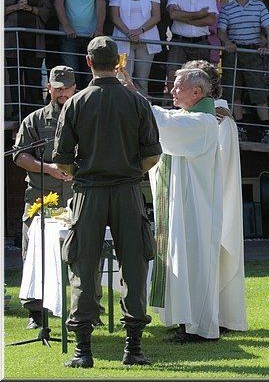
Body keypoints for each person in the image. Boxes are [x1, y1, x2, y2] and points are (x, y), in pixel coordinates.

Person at [52, 37, 161, 367]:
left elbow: (62, 161)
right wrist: (128, 172)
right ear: (118, 62)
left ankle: (83, 351)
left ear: (88, 62)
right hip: (128, 190)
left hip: (89, 192)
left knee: (84, 266)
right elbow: (152, 155)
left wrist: (85, 174)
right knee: (135, 265)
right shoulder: (136, 101)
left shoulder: (75, 103)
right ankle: (134, 348)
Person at [138, 67, 224, 343]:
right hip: (180, 209)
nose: (171, 91)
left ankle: (199, 328)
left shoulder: (204, 122)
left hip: (195, 212)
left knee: (194, 266)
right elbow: (165, 119)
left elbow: (162, 124)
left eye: (177, 87)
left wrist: (131, 96)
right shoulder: (187, 117)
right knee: (180, 263)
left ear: (197, 92)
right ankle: (184, 321)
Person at [181, 60, 247, 332]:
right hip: (201, 199)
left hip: (211, 201)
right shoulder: (204, 116)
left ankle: (213, 318)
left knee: (209, 261)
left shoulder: (219, 119)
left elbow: (214, 162)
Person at [13, 66, 76, 330]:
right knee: (34, 254)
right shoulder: (35, 120)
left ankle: (86, 310)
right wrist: (47, 168)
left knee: (81, 253)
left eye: (67, 88)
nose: (63, 93)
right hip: (41, 198)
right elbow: (19, 155)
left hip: (74, 198)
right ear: (48, 87)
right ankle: (36, 313)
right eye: (58, 88)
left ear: (75, 88)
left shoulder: (84, 117)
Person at [216, 0, 269, 143]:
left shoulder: (259, 6)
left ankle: (267, 129)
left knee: (258, 91)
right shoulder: (227, 8)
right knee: (234, 90)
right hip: (233, 52)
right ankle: (239, 128)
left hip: (252, 51)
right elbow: (221, 30)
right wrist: (227, 42)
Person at [4, 0, 52, 114]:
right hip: (12, 39)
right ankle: (17, 111)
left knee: (33, 75)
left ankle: (33, 112)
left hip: (34, 38)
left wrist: (31, 8)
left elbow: (47, 10)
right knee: (15, 75)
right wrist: (16, 7)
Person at [54, 0, 108, 88]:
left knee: (91, 74)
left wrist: (99, 29)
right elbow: (58, 3)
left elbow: (101, 3)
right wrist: (67, 26)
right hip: (69, 36)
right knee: (71, 74)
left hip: (91, 35)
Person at [109, 0, 162, 92]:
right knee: (124, 80)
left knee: (142, 81)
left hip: (146, 40)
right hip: (123, 40)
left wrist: (139, 31)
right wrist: (129, 33)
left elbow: (156, 16)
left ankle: (142, 105)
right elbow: (115, 16)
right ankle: (125, 105)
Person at [165, 0, 218, 81]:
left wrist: (186, 18)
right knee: (173, 75)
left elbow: (210, 20)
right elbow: (173, 14)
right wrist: (199, 14)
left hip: (201, 43)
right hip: (179, 42)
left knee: (201, 79)